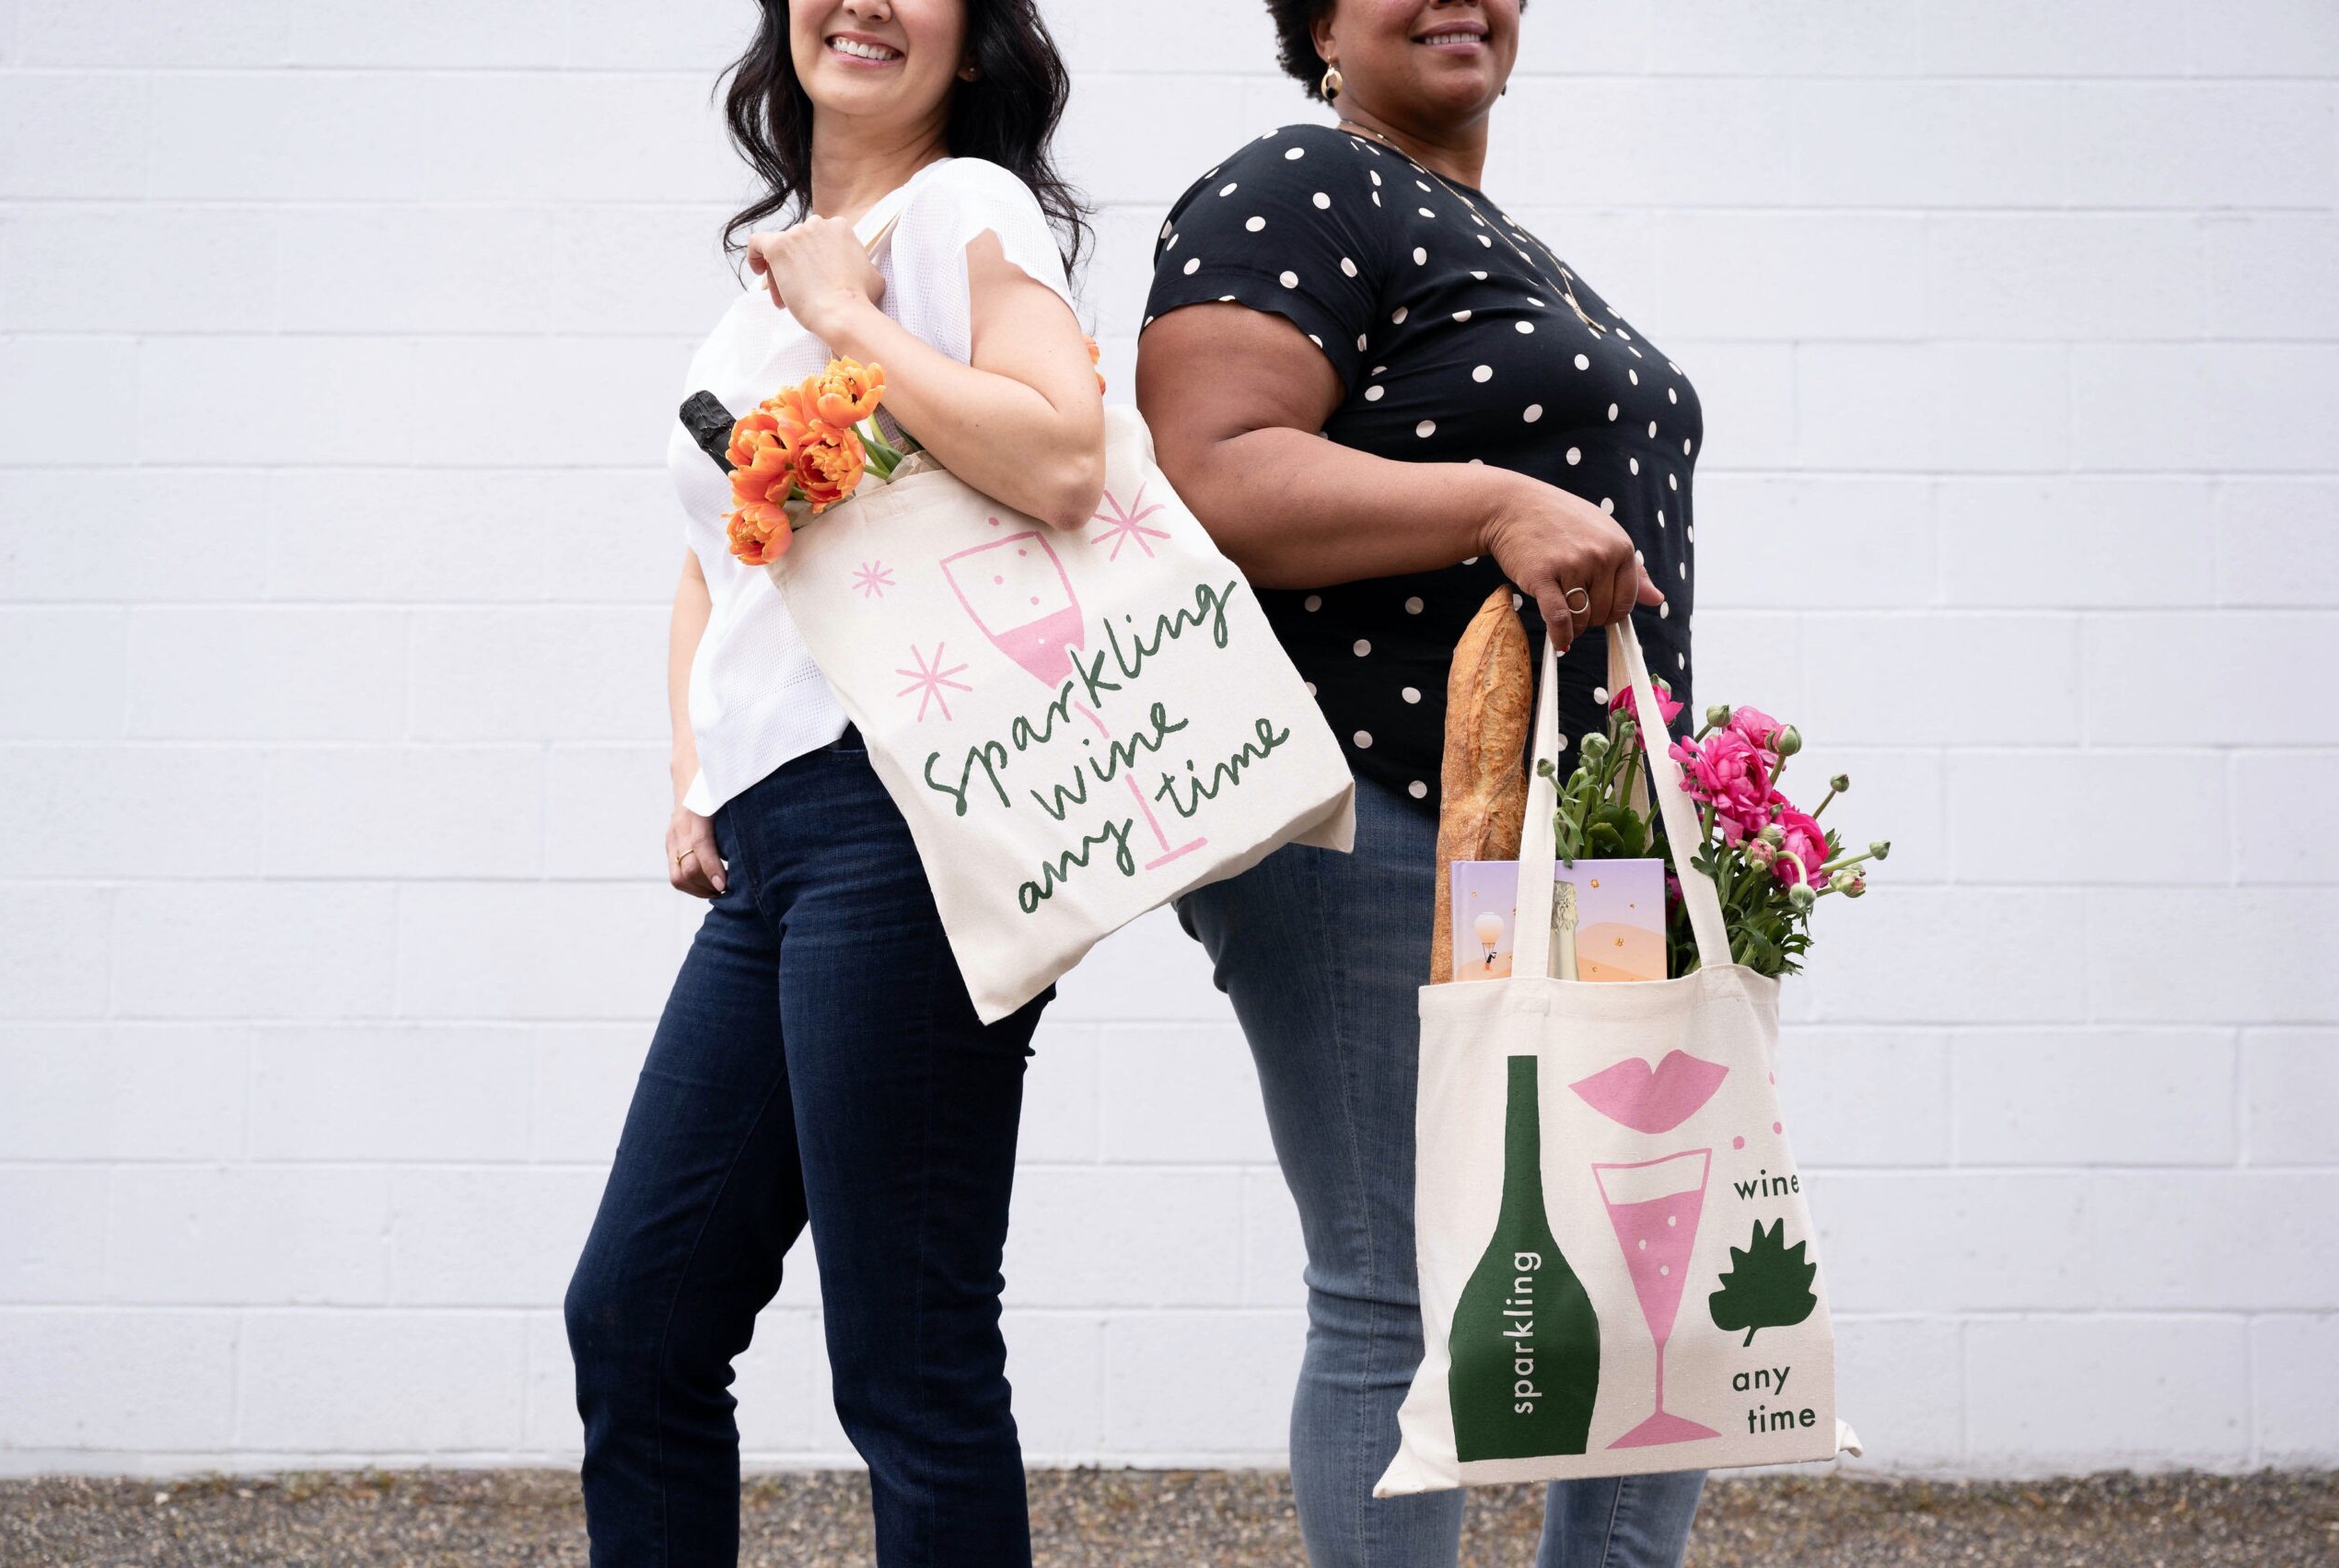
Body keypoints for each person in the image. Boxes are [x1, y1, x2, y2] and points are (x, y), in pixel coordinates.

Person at [1135, 2, 1706, 1564]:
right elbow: (1218, 467)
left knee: (1646, 1292)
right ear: (1319, 19)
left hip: (1596, 847)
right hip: (1379, 814)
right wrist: (1500, 499)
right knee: (1400, 1289)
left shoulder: (1497, 234)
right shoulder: (1294, 186)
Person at [562, 1, 1102, 1563]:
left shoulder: (966, 214)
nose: (862, 1)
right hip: (776, 833)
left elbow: (1063, 455)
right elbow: (711, 561)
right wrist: (693, 769)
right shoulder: (768, 283)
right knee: (638, 1317)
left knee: (908, 1354)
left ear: (977, 40)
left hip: (909, 823)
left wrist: (854, 317)